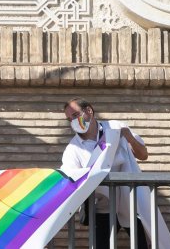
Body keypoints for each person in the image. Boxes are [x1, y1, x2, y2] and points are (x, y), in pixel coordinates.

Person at [61, 98, 149, 249]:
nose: (74, 121)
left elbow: (143, 155)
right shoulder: (73, 149)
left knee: (142, 245)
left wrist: (129, 137)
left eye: (76, 115)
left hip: (131, 205)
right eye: (70, 119)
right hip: (103, 208)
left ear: (89, 110)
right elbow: (69, 179)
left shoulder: (115, 127)